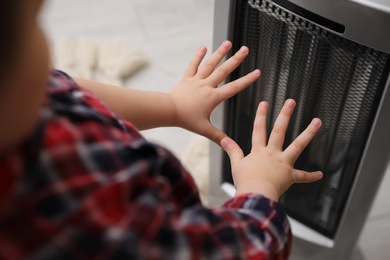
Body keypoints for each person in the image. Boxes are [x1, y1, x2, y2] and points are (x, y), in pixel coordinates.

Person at [0, 0, 323, 259]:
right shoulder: (88, 212)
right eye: (33, 27)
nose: (50, 77)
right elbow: (245, 251)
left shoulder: (20, 110)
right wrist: (259, 185)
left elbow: (69, 92)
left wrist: (172, 106)